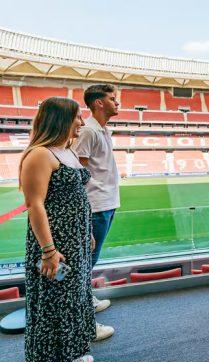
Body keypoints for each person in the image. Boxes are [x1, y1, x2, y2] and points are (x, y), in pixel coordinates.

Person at [20, 97, 102, 362]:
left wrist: (87, 231)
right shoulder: (39, 155)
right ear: (59, 120)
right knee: (52, 310)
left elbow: (77, 197)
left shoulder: (65, 151)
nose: (81, 122)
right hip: (56, 249)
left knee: (73, 301)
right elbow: (35, 205)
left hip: (76, 244)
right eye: (77, 117)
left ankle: (66, 358)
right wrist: (49, 251)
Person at [72, 84, 120, 314]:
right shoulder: (89, 131)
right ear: (99, 103)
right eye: (112, 99)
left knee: (92, 257)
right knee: (88, 258)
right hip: (96, 204)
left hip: (107, 202)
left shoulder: (102, 130)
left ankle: (83, 298)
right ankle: (79, 305)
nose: (117, 102)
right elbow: (77, 173)